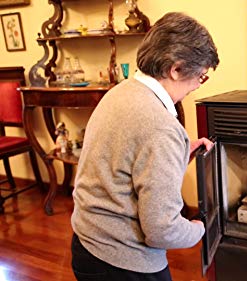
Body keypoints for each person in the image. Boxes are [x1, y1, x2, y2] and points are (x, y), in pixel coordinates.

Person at [70, 12, 219, 281]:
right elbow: (163, 231)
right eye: (201, 76)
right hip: (124, 261)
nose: (198, 85)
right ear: (176, 68)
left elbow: (128, 162)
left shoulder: (120, 91)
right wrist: (201, 227)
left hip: (86, 244)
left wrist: (180, 153)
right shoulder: (161, 128)